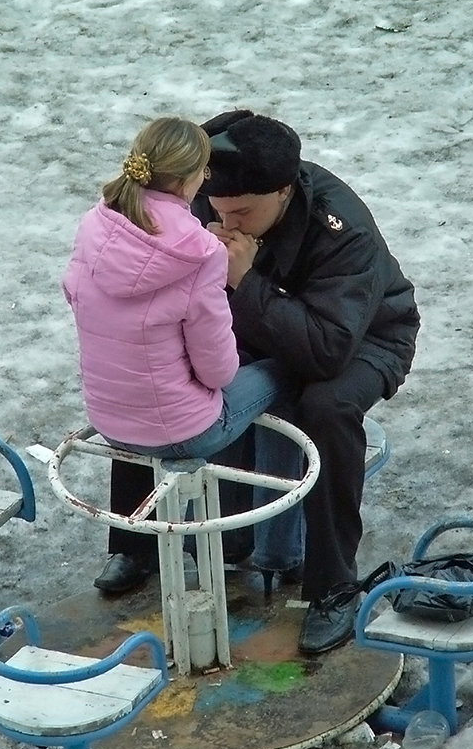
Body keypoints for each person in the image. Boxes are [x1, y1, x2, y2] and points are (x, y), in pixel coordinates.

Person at [96, 110, 420, 655]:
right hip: (253, 325)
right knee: (155, 366)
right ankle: (135, 540)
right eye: (217, 210)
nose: (227, 224)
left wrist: (244, 279)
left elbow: (325, 351)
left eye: (243, 212)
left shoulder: (341, 227)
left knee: (327, 407)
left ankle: (333, 585)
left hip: (361, 339)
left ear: (285, 191)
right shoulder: (217, 197)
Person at [62, 117, 287, 553]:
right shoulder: (200, 252)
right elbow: (218, 371)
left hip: (109, 422)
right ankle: (275, 551)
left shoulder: (96, 223)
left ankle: (140, 555)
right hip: (182, 433)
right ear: (190, 179)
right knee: (286, 370)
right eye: (204, 171)